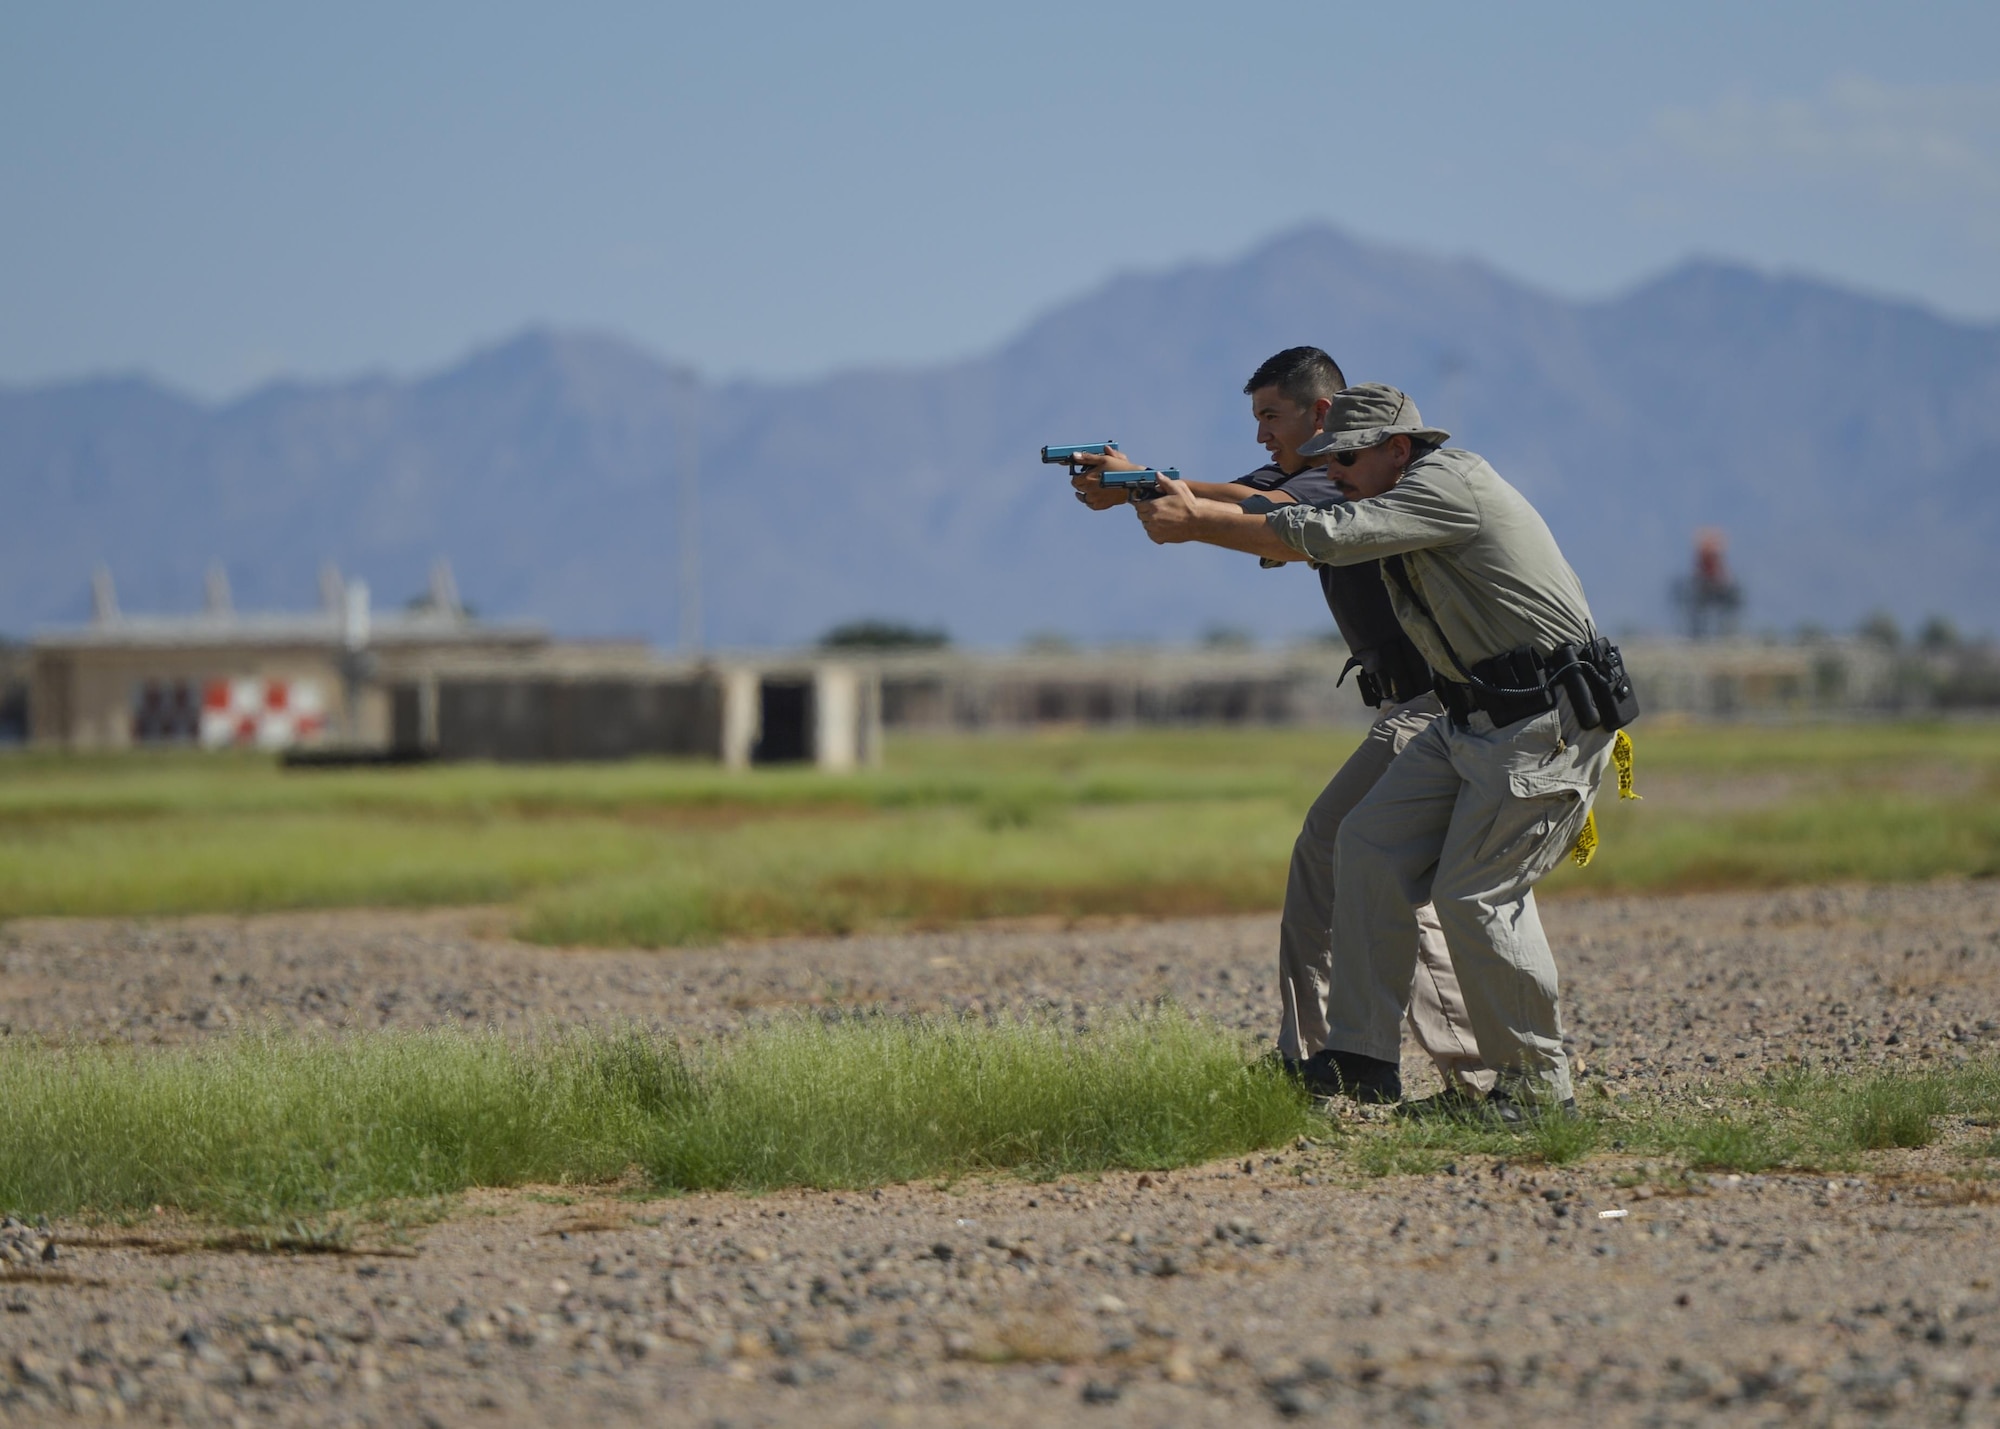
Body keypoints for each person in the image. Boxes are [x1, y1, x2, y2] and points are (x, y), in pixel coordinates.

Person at [1130, 383, 1628, 1114]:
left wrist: (1197, 519)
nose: (1335, 471)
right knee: (1364, 843)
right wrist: (1161, 494)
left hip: (1540, 725)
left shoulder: (1449, 485)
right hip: (1468, 721)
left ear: (1399, 449)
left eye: (1349, 458)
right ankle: (1360, 1056)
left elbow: (1325, 533)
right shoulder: (1386, 492)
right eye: (1329, 460)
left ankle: (1538, 1090)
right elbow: (1293, 511)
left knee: (1475, 894)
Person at [1069, 350, 1488, 1101]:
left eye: (1271, 416)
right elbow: (1243, 493)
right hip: (1412, 706)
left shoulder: (1343, 476)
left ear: (1321, 415)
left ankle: (1339, 1064)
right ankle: (1361, 1065)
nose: (1261, 434)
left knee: (1342, 851)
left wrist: (1182, 513)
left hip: (1432, 704)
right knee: (1366, 868)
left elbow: (1264, 517)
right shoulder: (1311, 475)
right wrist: (1139, 483)